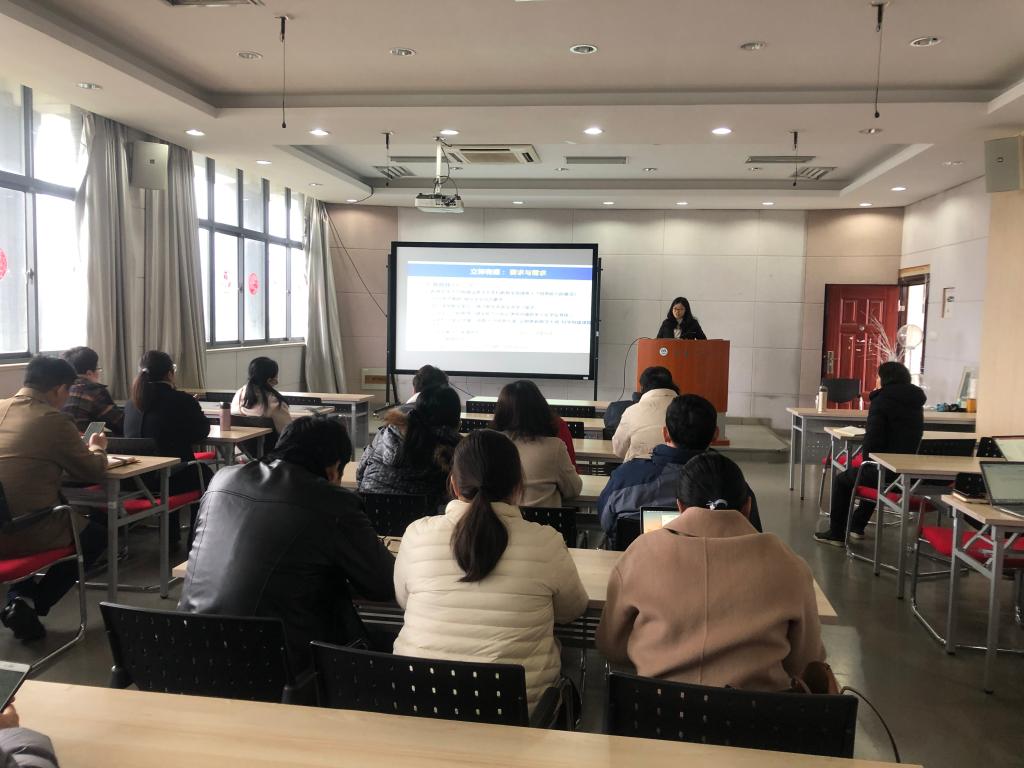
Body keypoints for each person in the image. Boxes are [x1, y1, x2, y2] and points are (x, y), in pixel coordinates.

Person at [393, 429, 588, 714]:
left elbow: (403, 600)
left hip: (419, 704)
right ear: (518, 485)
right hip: (517, 716)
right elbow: (573, 609)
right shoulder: (546, 542)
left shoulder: (417, 534)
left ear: (454, 484)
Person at [180, 416, 395, 670]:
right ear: (334, 467)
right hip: (273, 663)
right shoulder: (334, 503)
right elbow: (383, 584)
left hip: (191, 649)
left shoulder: (221, 480)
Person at [597, 452, 825, 692]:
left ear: (680, 506)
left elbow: (611, 646)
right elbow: (806, 661)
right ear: (747, 507)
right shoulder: (788, 564)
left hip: (655, 709)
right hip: (758, 713)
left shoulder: (640, 554)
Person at [0, 356, 108, 642]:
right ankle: (34, 602)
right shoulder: (53, 420)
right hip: (26, 528)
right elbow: (92, 470)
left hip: (6, 522)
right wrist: (97, 448)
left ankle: (19, 599)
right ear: (60, 389)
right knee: (97, 536)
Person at [599, 394, 762, 542]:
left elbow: (607, 524)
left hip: (637, 562)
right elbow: (752, 534)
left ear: (665, 433)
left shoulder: (625, 478)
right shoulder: (734, 484)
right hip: (717, 563)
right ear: (715, 435)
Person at [815, 361, 926, 546]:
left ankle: (836, 534)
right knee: (873, 475)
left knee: (846, 479)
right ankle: (857, 525)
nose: (876, 380)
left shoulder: (881, 401)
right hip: (910, 473)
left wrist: (866, 461)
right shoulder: (915, 401)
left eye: (878, 377)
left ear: (885, 379)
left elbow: (874, 440)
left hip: (888, 473)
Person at [358, 385, 462, 510]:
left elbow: (361, 472)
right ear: (456, 421)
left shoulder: (387, 433)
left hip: (370, 512)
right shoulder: (455, 449)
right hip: (424, 519)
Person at [123, 350, 212, 496]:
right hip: (169, 478)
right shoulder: (181, 400)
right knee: (207, 475)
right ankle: (198, 512)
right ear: (170, 374)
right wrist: (192, 408)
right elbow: (201, 432)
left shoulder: (130, 404)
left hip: (136, 481)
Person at [492, 380, 581, 508]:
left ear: (501, 411)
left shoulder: (490, 446)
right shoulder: (555, 447)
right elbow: (573, 490)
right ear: (540, 408)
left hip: (500, 519)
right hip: (542, 520)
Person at [611, 366, 680, 462]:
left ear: (642, 388)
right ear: (671, 384)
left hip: (638, 469)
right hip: (679, 469)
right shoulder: (686, 409)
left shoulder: (632, 411)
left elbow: (619, 450)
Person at [60, 346, 124, 435]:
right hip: (82, 442)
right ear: (89, 373)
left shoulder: (60, 390)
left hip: (58, 441)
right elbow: (119, 424)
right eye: (98, 369)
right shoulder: (93, 390)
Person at [231, 356, 291, 434]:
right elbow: (289, 434)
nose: (277, 382)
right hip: (272, 442)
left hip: (240, 441)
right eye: (276, 376)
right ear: (269, 380)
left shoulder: (239, 395)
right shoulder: (276, 404)